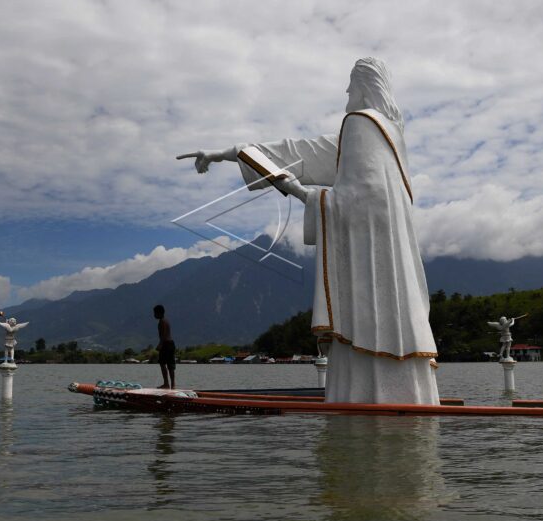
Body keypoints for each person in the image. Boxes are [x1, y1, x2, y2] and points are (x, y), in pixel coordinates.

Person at [179, 58, 439, 404]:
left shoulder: (361, 123)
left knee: (368, 333)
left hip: (370, 262)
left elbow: (367, 197)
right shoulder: (389, 136)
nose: (347, 91)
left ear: (363, 85)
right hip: (392, 264)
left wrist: (306, 195)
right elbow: (297, 152)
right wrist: (225, 152)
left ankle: (369, 400)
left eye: (350, 83)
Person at [154, 304, 176, 389]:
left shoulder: (161, 322)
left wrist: (160, 344)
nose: (154, 315)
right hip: (171, 344)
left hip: (165, 344)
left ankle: (166, 383)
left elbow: (163, 335)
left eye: (155, 313)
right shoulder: (166, 321)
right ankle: (173, 385)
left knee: (162, 364)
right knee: (171, 365)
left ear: (159, 313)